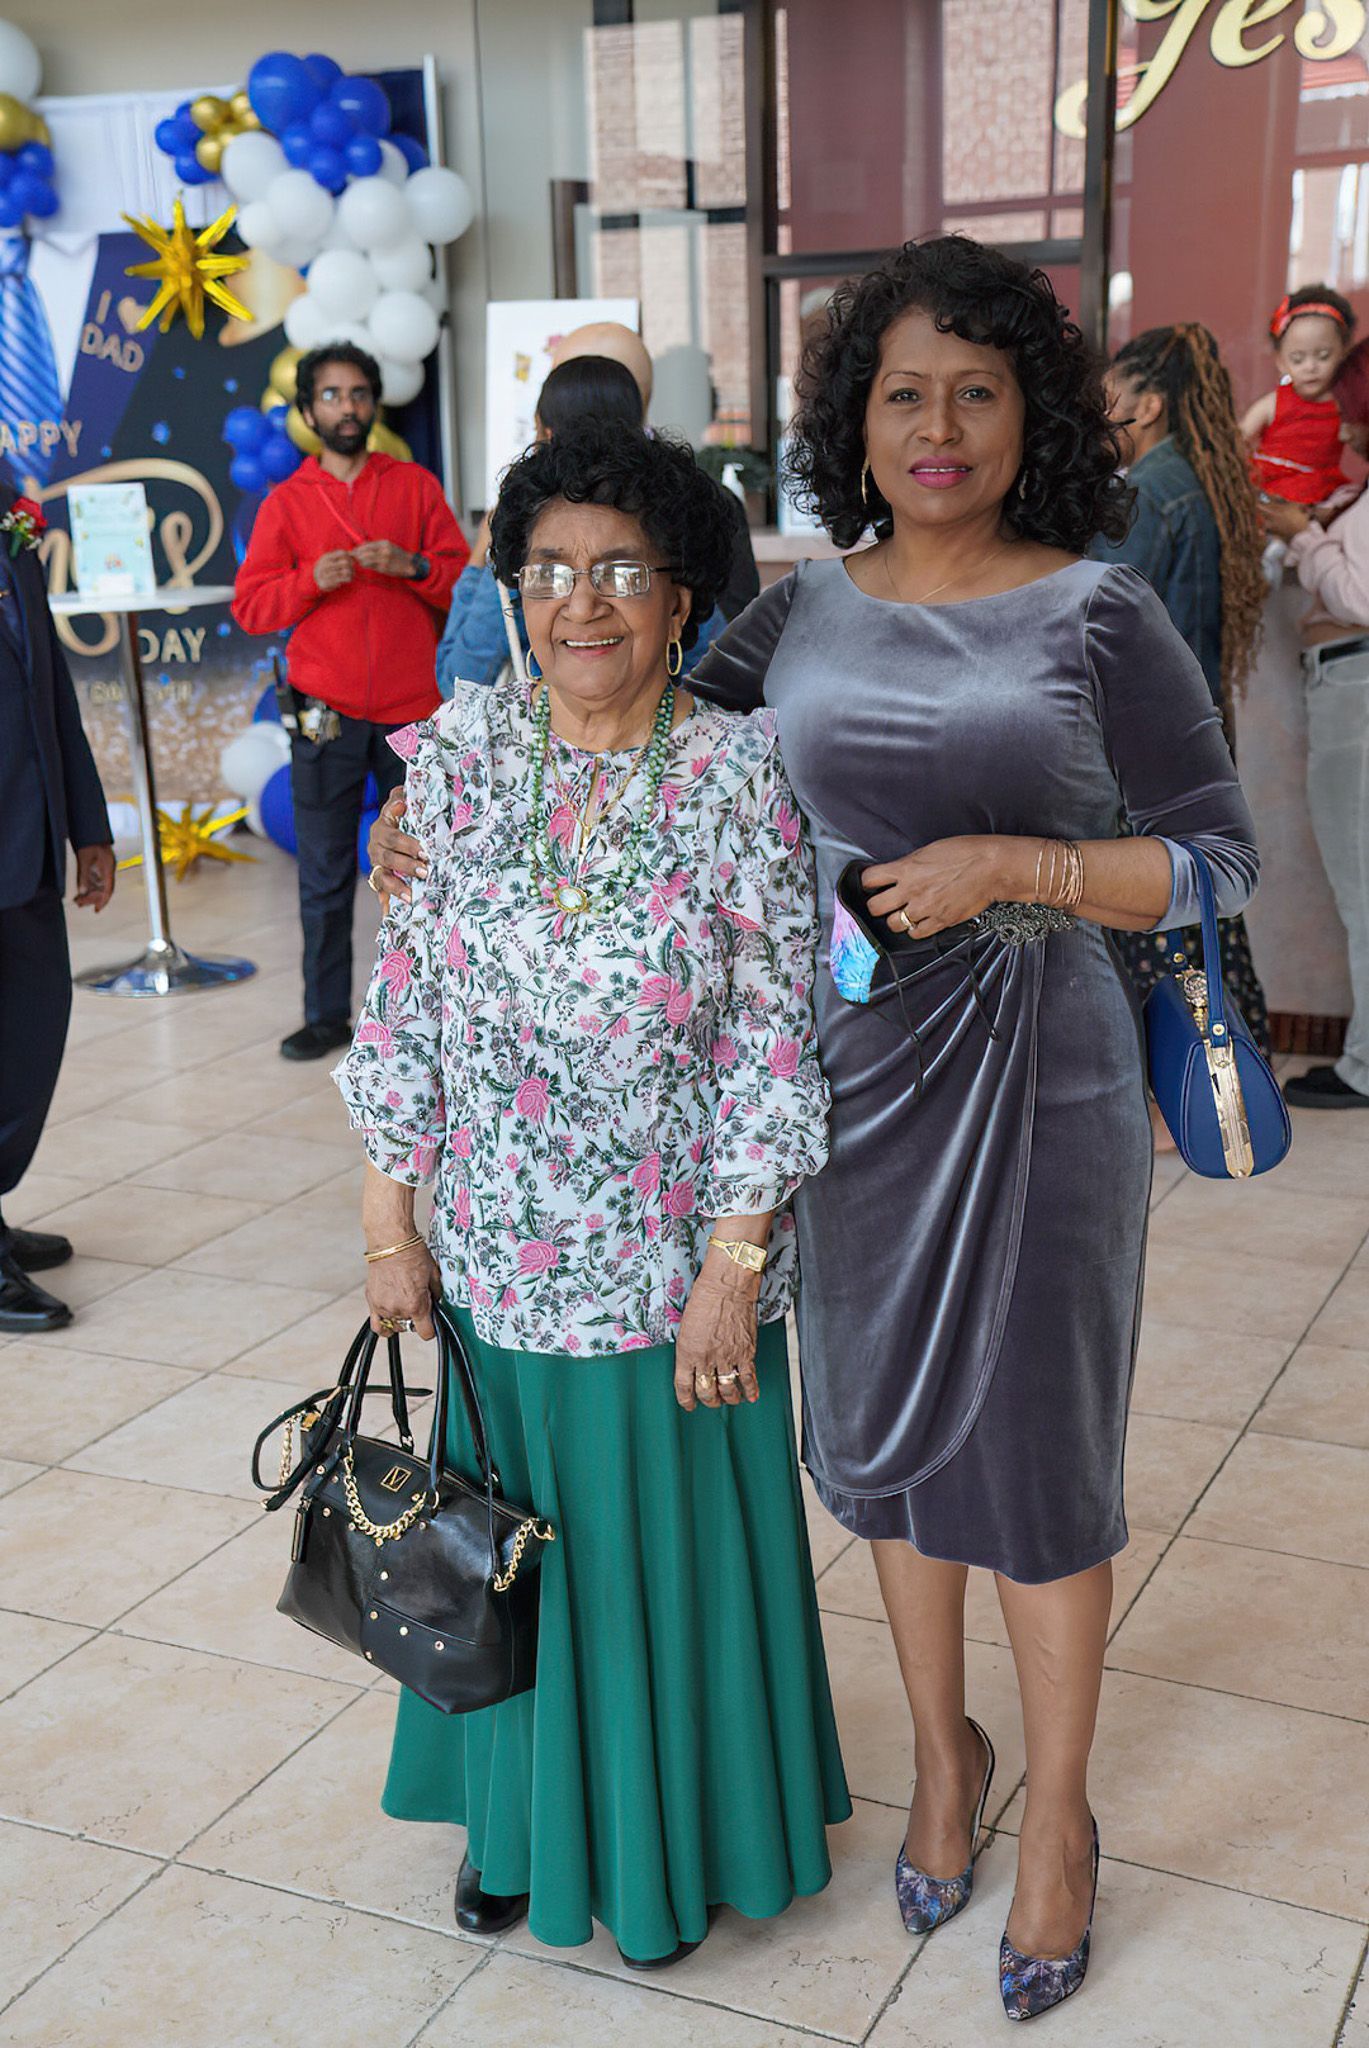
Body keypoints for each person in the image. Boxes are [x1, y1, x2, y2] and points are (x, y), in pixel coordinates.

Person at [365, 237, 1261, 2021]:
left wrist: (1023, 865)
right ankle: (941, 1754)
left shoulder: (1095, 610)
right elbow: (631, 741)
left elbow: (1212, 852)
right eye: (898, 393)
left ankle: (1061, 1817)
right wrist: (437, 838)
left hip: (1040, 1078)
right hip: (849, 1082)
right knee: (879, 1443)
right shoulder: (801, 605)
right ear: (852, 418)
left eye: (974, 390)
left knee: (1035, 1456)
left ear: (1031, 414)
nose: (934, 426)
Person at [334, 421, 849, 1967]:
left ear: (682, 595)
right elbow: (407, 1006)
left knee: (649, 1579)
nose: (583, 604)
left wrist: (734, 1259)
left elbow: (776, 1032)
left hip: (677, 1275)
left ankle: (667, 1849)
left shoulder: (737, 773)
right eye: (547, 571)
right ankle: (514, 1831)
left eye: (621, 568)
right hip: (499, 1262)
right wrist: (387, 1222)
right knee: (510, 1561)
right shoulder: (461, 760)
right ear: (511, 593)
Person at [232, 341, 468, 1062]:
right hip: (323, 707)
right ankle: (325, 1014)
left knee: (429, 868)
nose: (347, 407)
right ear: (308, 411)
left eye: (359, 393)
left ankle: (435, 1014)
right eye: (331, 395)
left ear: (374, 404)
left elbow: (464, 583)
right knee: (326, 869)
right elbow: (251, 606)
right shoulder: (287, 502)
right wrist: (309, 580)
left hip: (412, 709)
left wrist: (414, 566)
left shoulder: (415, 486)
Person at [1094, 322, 1271, 1063]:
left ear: (1151, 404)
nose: (1103, 416)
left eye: (1113, 400)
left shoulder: (1149, 493)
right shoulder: (1198, 481)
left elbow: (1094, 619)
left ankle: (1180, 1097)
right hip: (1189, 735)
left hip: (1145, 745)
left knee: (1156, 923)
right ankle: (1221, 1089)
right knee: (1200, 916)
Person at [0, 480, 115, 1333]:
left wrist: (87, 825)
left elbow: (50, 686)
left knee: (32, 1029)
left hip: (27, 839)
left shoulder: (12, 517)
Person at [1263, 334, 1369, 1110]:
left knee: (1360, 888)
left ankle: (1362, 1067)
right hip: (1344, 684)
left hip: (1355, 686)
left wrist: (1303, 537)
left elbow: (1362, 601)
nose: (1333, 411)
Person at [1243, 285, 1355, 508]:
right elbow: (1240, 436)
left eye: (1323, 356)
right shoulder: (1274, 403)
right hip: (1269, 490)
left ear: (1343, 352)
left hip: (1321, 495)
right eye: (1297, 359)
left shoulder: (1344, 405)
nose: (1310, 367)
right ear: (1280, 362)